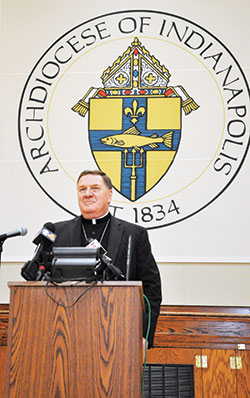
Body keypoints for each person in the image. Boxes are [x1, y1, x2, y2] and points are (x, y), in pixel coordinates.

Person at [53, 169, 162, 348]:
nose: (88, 194)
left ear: (109, 195)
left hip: (120, 332)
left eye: (95, 188)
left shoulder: (134, 234)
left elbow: (152, 290)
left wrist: (144, 337)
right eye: (82, 189)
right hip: (67, 332)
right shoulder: (58, 232)